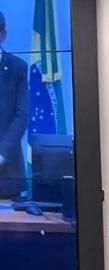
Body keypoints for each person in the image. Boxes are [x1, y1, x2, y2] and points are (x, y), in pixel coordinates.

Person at [0, 11, 28, 199]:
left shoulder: (18, 67)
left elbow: (22, 115)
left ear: (3, 35)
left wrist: (2, 153)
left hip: (8, 171)